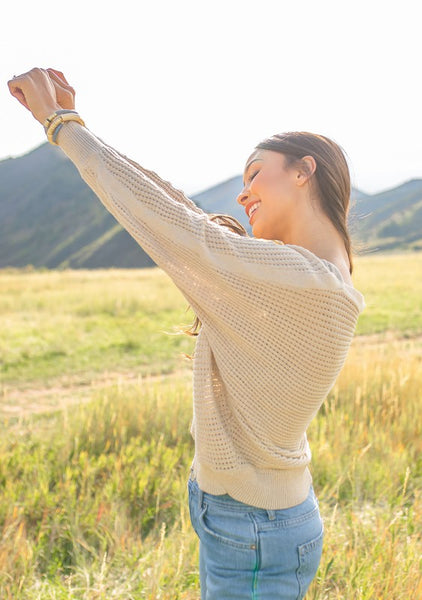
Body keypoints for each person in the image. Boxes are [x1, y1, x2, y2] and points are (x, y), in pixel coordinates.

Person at [8, 68, 366, 600]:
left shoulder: (306, 283)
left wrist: (59, 125)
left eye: (254, 174)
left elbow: (177, 228)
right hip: (245, 520)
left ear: (302, 171)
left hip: (253, 530)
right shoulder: (299, 273)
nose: (243, 194)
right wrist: (76, 122)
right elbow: (179, 211)